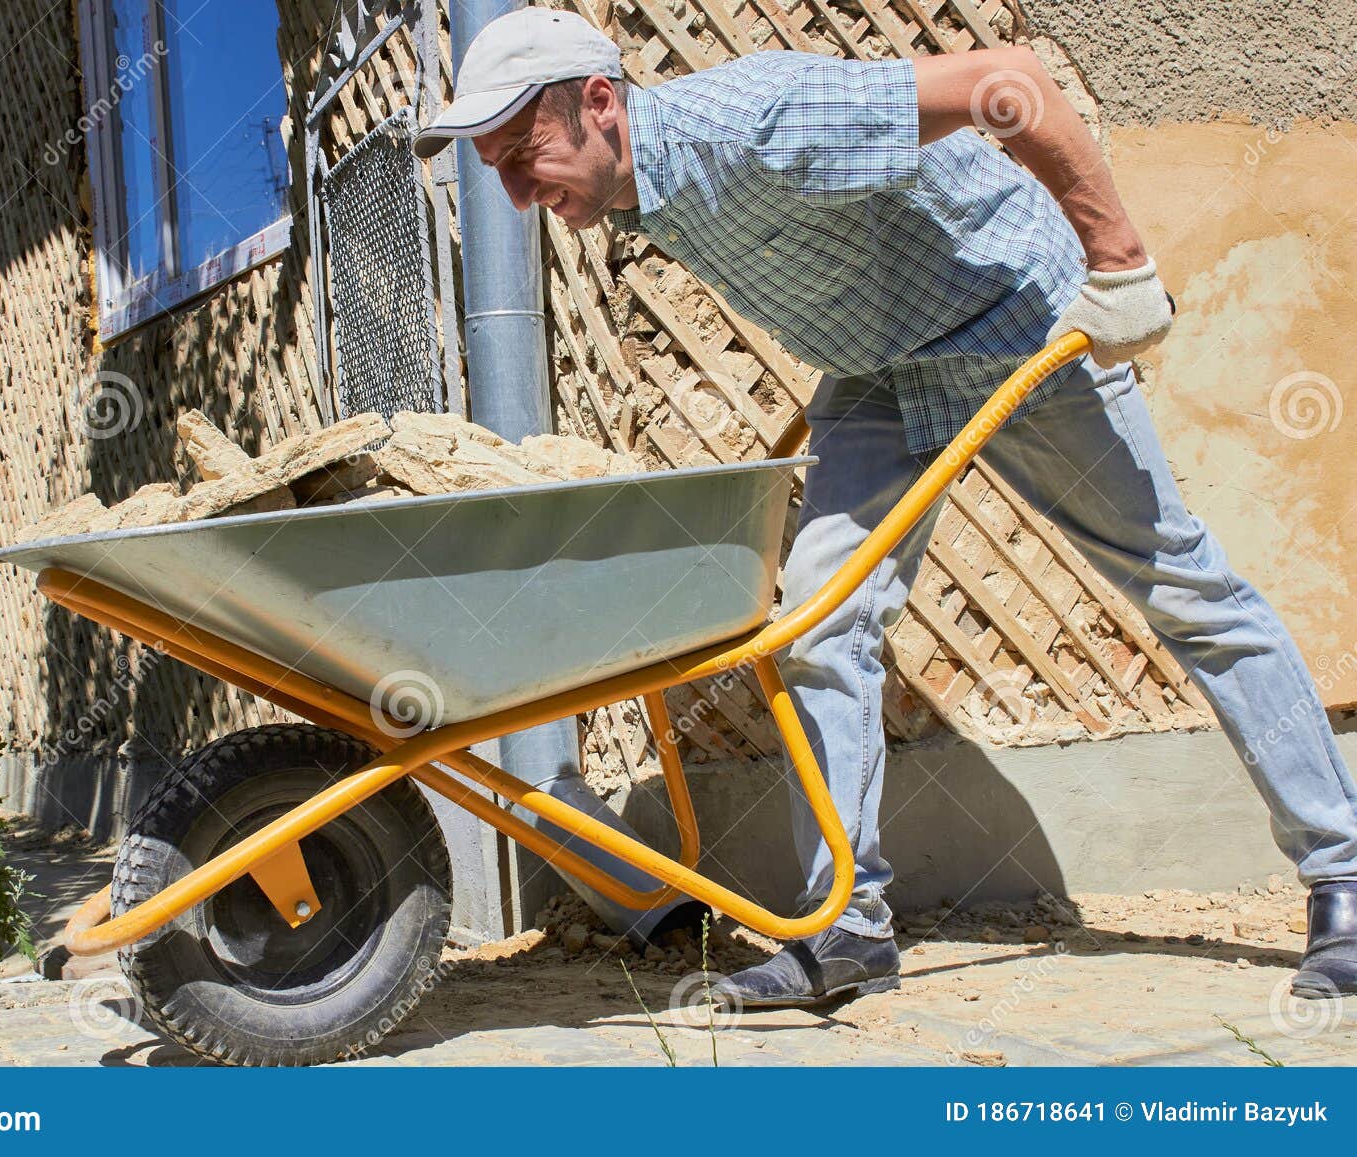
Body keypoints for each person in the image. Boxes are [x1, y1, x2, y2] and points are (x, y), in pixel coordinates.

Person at [414, 7, 1357, 1005]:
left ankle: (1344, 874)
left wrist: (1118, 259)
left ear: (600, 103)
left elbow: (1012, 83)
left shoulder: (758, 117)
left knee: (1183, 588)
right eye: (498, 168)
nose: (516, 193)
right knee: (819, 625)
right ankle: (845, 931)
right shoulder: (635, 190)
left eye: (525, 154)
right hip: (879, 373)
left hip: (1014, 320)